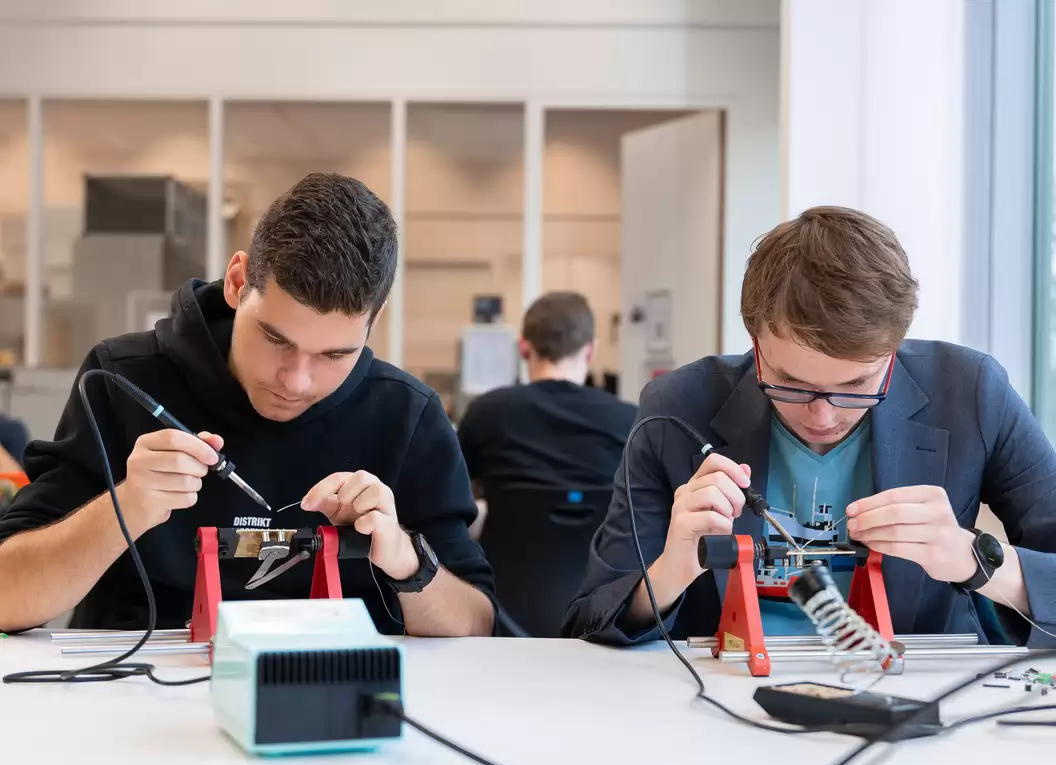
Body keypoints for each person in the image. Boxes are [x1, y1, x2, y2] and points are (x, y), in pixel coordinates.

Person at [0, 173, 495, 637]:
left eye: (334, 355)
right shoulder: (124, 379)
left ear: (375, 318)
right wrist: (124, 508)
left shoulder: (408, 416)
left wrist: (408, 562)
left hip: (332, 695)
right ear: (238, 282)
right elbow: (7, 595)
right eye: (276, 339)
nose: (296, 381)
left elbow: (476, 624)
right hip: (137, 701)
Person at [564, 206, 1056, 648]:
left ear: (895, 349)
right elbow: (587, 620)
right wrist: (671, 571)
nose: (822, 414)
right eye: (790, 384)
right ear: (755, 344)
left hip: (914, 698)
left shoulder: (971, 393)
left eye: (857, 385)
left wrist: (978, 562)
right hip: (720, 697)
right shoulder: (676, 409)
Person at [458, 291, 636, 505]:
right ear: (591, 351)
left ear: (524, 348)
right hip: (598, 540)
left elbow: (453, 492)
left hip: (508, 538)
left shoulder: (485, 413)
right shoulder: (629, 421)